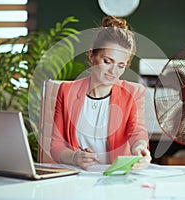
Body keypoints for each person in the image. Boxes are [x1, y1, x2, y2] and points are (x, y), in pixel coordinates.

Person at [50, 16, 151, 170]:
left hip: (116, 179)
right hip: (77, 178)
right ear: (92, 56)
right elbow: (56, 145)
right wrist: (75, 157)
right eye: (107, 61)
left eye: (121, 65)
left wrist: (140, 149)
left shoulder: (134, 92)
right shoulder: (66, 91)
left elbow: (137, 132)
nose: (113, 71)